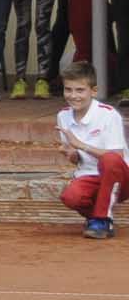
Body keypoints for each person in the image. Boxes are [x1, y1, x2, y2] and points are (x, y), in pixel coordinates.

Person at [55, 61, 127, 239]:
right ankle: (98, 218)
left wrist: (80, 145)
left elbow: (116, 156)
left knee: (109, 160)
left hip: (121, 178)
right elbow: (77, 158)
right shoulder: (63, 116)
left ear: (93, 91)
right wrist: (72, 155)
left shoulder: (108, 114)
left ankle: (103, 219)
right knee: (70, 197)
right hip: (89, 175)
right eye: (68, 89)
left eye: (80, 90)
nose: (73, 96)